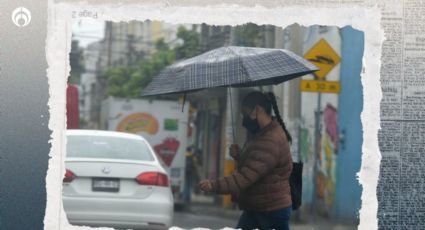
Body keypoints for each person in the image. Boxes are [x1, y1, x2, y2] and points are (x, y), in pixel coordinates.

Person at [198, 91, 293, 230]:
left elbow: (245, 177)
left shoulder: (270, 140)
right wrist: (240, 156)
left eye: (245, 113)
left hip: (270, 211)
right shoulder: (262, 134)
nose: (244, 119)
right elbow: (257, 165)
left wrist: (213, 185)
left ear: (258, 110)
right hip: (259, 208)